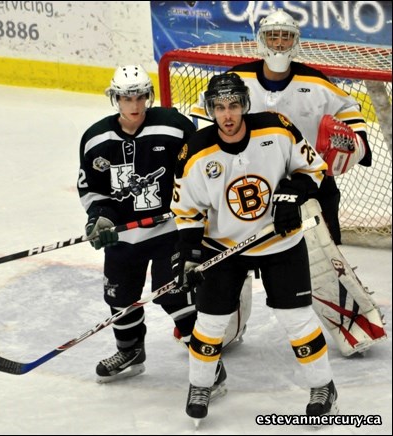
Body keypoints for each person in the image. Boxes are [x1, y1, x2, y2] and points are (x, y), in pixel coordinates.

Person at [188, 8, 385, 357]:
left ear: (296, 41)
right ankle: (225, 328)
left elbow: (352, 118)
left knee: (322, 261)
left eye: (286, 36)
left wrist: (354, 145)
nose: (279, 43)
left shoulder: (317, 82)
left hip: (305, 186)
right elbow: (206, 128)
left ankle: (355, 328)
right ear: (260, 41)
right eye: (273, 36)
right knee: (228, 260)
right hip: (245, 191)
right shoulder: (237, 79)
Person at [172, 71, 338, 423]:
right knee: (211, 322)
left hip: (280, 241)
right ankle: (202, 384)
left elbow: (315, 169)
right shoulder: (196, 153)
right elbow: (186, 212)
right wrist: (188, 256)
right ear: (210, 109)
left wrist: (294, 194)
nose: (227, 115)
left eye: (233, 105)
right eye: (219, 107)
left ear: (245, 105)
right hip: (222, 247)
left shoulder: (276, 128)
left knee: (296, 319)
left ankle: (323, 385)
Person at [76, 64, 226, 388]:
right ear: (114, 98)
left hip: (170, 229)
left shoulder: (174, 127)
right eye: (126, 97)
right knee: (118, 296)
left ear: (149, 96)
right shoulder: (95, 139)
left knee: (174, 294)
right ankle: (130, 352)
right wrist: (98, 217)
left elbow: (198, 168)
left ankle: (209, 367)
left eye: (140, 96)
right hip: (123, 234)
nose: (134, 104)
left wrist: (198, 210)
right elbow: (92, 189)